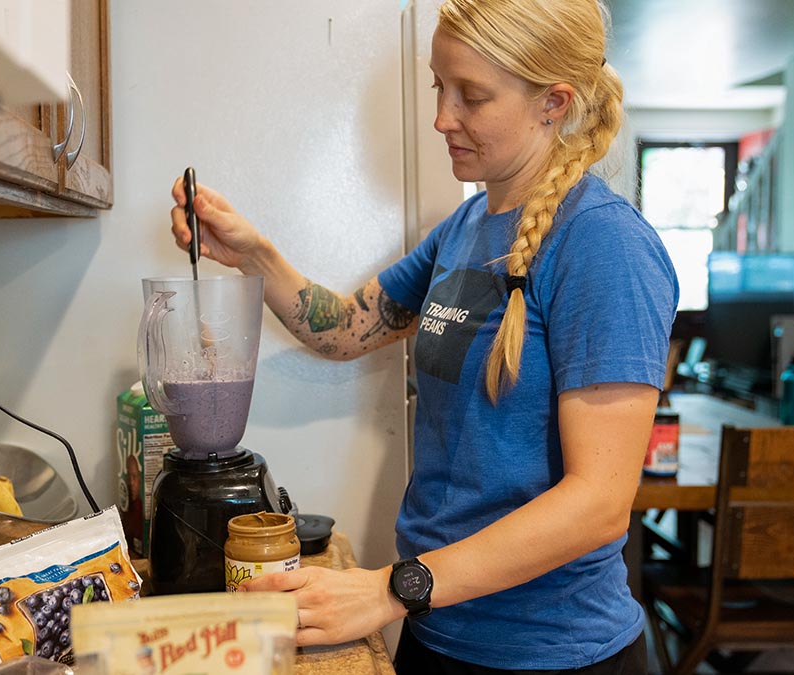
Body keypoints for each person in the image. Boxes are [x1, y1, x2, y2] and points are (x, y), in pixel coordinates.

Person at [168, 0, 676, 672]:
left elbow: (599, 504)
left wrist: (389, 587)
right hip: (438, 630)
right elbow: (348, 327)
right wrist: (255, 255)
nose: (442, 118)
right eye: (440, 86)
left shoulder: (603, 244)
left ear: (553, 102)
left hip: (549, 653)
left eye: (472, 95)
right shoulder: (464, 230)